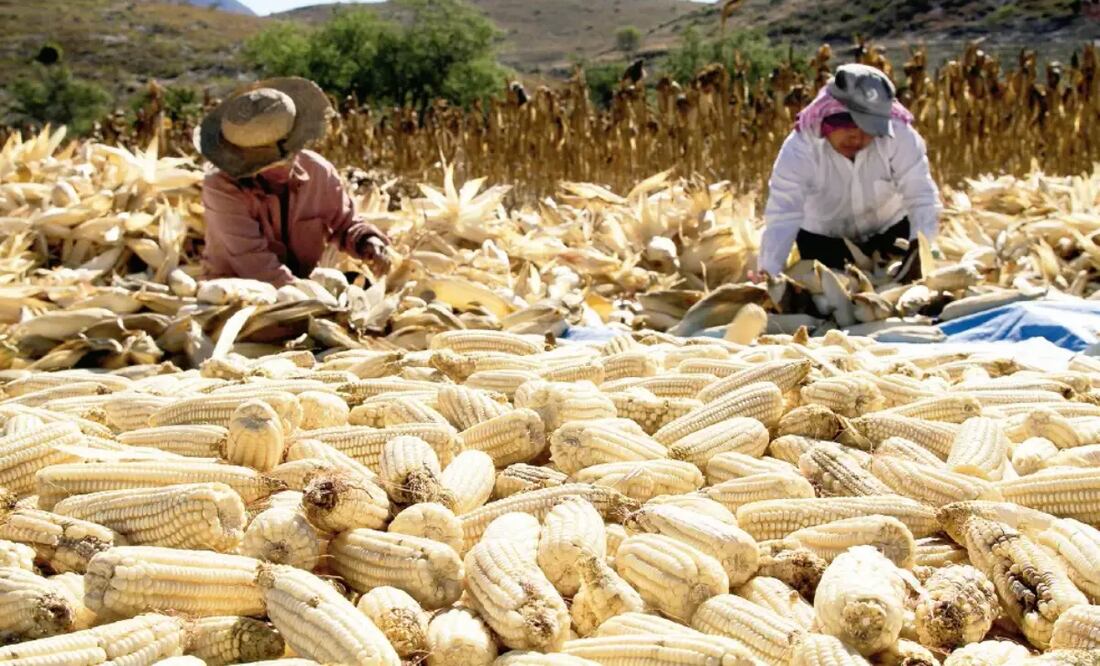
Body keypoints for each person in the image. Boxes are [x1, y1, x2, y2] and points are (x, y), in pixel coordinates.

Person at [195, 77, 390, 287]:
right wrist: (305, 295)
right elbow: (253, 260)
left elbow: (345, 223)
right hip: (234, 292)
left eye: (280, 160)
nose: (276, 168)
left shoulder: (318, 171)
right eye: (263, 165)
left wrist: (367, 241)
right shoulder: (222, 187)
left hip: (301, 288)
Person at [755, 64, 941, 283]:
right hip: (824, 243)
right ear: (828, 118)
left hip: (890, 235)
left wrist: (922, 252)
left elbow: (921, 196)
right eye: (848, 124)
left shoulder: (899, 137)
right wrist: (768, 272)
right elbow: (783, 213)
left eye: (868, 127)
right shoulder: (800, 149)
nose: (857, 137)